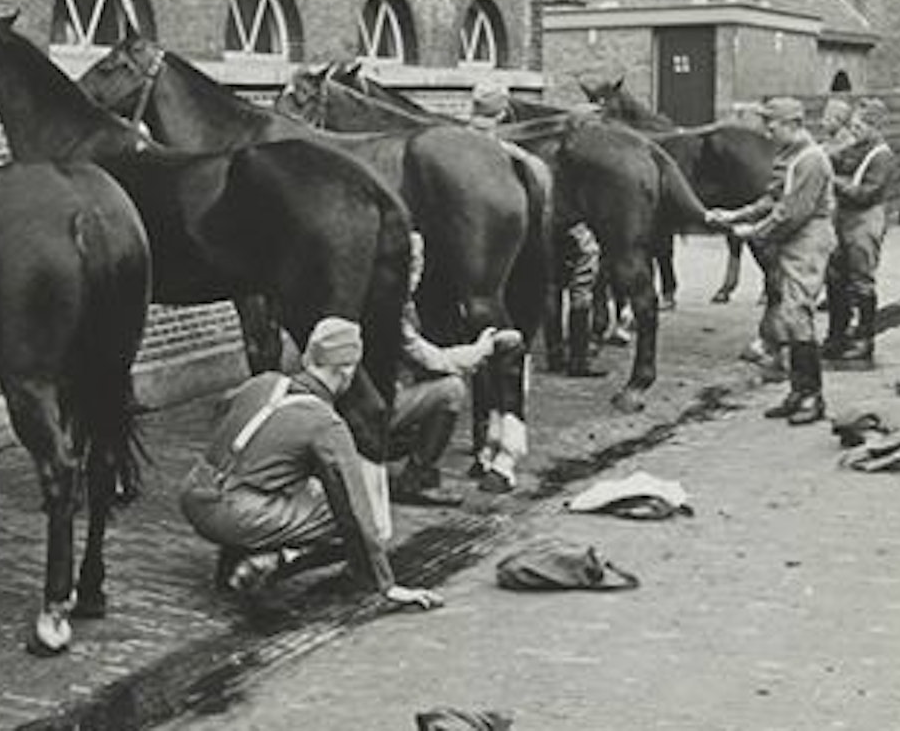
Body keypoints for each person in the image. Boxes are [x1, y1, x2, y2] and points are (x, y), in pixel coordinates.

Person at [179, 317, 444, 611]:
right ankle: (274, 561)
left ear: (309, 357)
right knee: (362, 516)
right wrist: (386, 585)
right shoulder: (326, 424)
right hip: (239, 515)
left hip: (195, 494)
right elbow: (353, 508)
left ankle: (231, 562)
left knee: (272, 479)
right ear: (347, 370)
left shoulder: (263, 382)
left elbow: (222, 414)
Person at [708, 97, 836, 425]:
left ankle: (812, 396)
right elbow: (772, 198)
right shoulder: (790, 155)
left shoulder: (811, 160)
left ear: (792, 124)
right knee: (790, 314)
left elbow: (791, 213)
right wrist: (735, 215)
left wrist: (754, 232)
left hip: (808, 239)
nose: (768, 130)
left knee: (797, 313)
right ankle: (797, 392)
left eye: (772, 124)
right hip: (793, 238)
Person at [469, 83, 606, 378]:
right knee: (582, 281)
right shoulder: (552, 156)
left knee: (552, 286)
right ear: (503, 111)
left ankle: (556, 353)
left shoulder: (477, 143)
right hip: (566, 225)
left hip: (542, 227)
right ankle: (579, 358)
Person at [390, 232, 522, 506]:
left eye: (419, 266)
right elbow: (431, 359)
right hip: (367, 408)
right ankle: (416, 477)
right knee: (451, 390)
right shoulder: (393, 309)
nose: (417, 274)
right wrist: (482, 350)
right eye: (412, 266)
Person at [823, 98, 896, 362]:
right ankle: (836, 334)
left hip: (865, 220)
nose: (852, 131)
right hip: (843, 218)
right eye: (852, 126)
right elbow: (832, 160)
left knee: (861, 280)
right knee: (834, 276)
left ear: (874, 127)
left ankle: (865, 340)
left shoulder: (882, 156)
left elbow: (866, 194)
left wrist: (835, 182)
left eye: (858, 127)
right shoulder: (856, 148)